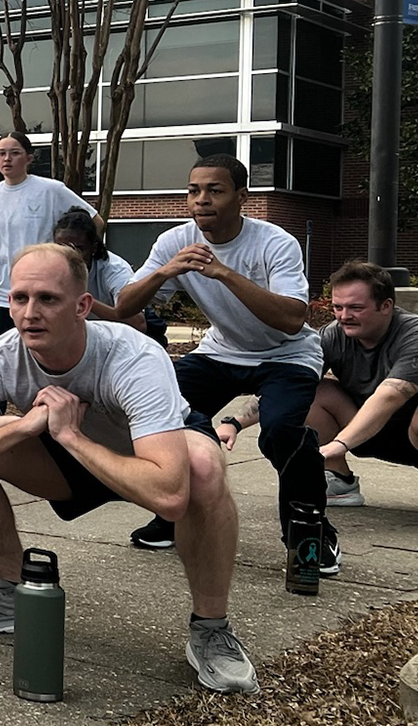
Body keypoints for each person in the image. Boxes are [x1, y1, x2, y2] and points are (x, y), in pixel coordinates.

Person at [0, 244, 259, 693]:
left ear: (82, 307)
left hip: (146, 455)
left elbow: (169, 497)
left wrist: (73, 437)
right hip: (65, 454)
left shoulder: (132, 357)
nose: (29, 313)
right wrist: (24, 428)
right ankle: (11, 596)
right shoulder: (0, 355)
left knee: (203, 466)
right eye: (19, 298)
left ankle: (211, 627)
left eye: (48, 299)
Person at [113, 154, 337, 574]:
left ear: (241, 197)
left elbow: (292, 318)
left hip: (286, 355)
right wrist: (164, 272)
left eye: (215, 190)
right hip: (221, 351)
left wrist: (223, 273)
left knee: (282, 432)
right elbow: (125, 306)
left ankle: (311, 533)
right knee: (162, 415)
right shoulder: (175, 241)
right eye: (194, 191)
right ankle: (173, 516)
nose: (202, 200)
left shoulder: (275, 242)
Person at [309, 259, 418, 527]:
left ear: (386, 306)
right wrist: (235, 423)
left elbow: (390, 396)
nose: (343, 316)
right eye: (337, 307)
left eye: (355, 308)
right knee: (309, 389)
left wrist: (337, 444)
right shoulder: (333, 334)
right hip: (370, 430)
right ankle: (338, 481)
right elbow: (290, 381)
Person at [0, 133, 97, 341]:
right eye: (2, 153)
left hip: (42, 292)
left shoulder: (51, 190)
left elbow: (94, 221)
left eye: (15, 153)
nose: (7, 158)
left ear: (29, 158)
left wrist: (70, 257)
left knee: (42, 353)